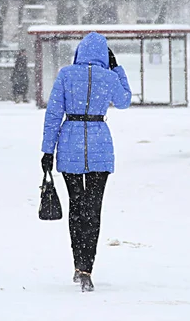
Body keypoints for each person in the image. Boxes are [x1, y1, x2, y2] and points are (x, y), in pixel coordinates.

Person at [40, 31, 131, 292]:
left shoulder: (66, 75)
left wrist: (47, 151)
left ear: (80, 52)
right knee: (94, 209)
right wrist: (118, 68)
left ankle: (77, 263)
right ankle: (87, 267)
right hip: (100, 144)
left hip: (70, 143)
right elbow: (124, 101)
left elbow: (53, 114)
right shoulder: (109, 76)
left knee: (76, 206)